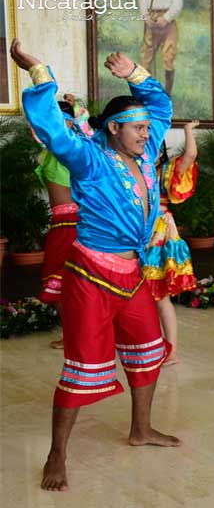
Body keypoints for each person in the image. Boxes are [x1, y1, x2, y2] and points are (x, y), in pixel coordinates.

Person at [13, 39, 180, 492]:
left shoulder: (146, 155)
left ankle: (141, 429)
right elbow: (51, 127)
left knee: (149, 353)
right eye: (137, 128)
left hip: (133, 274)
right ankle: (56, 453)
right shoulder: (90, 160)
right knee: (83, 365)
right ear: (112, 130)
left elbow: (162, 104)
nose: (147, 133)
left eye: (147, 127)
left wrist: (136, 73)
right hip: (91, 275)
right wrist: (39, 72)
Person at [141, 121, 200, 366]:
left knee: (159, 294)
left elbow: (191, 155)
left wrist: (187, 131)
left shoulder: (166, 170)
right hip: (135, 232)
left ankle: (172, 349)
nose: (147, 150)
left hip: (158, 233)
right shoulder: (130, 169)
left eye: (152, 146)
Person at [34, 102, 85, 350]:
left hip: (72, 223)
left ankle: (74, 336)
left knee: (67, 282)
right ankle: (74, 335)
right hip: (64, 222)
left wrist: (78, 109)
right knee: (64, 282)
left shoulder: (73, 151)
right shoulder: (52, 152)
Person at [139, 0, 182, 95]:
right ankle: (148, 93)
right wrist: (145, 17)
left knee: (169, 56)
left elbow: (178, 2)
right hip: (150, 18)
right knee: (146, 57)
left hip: (168, 19)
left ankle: (167, 95)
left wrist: (166, 18)